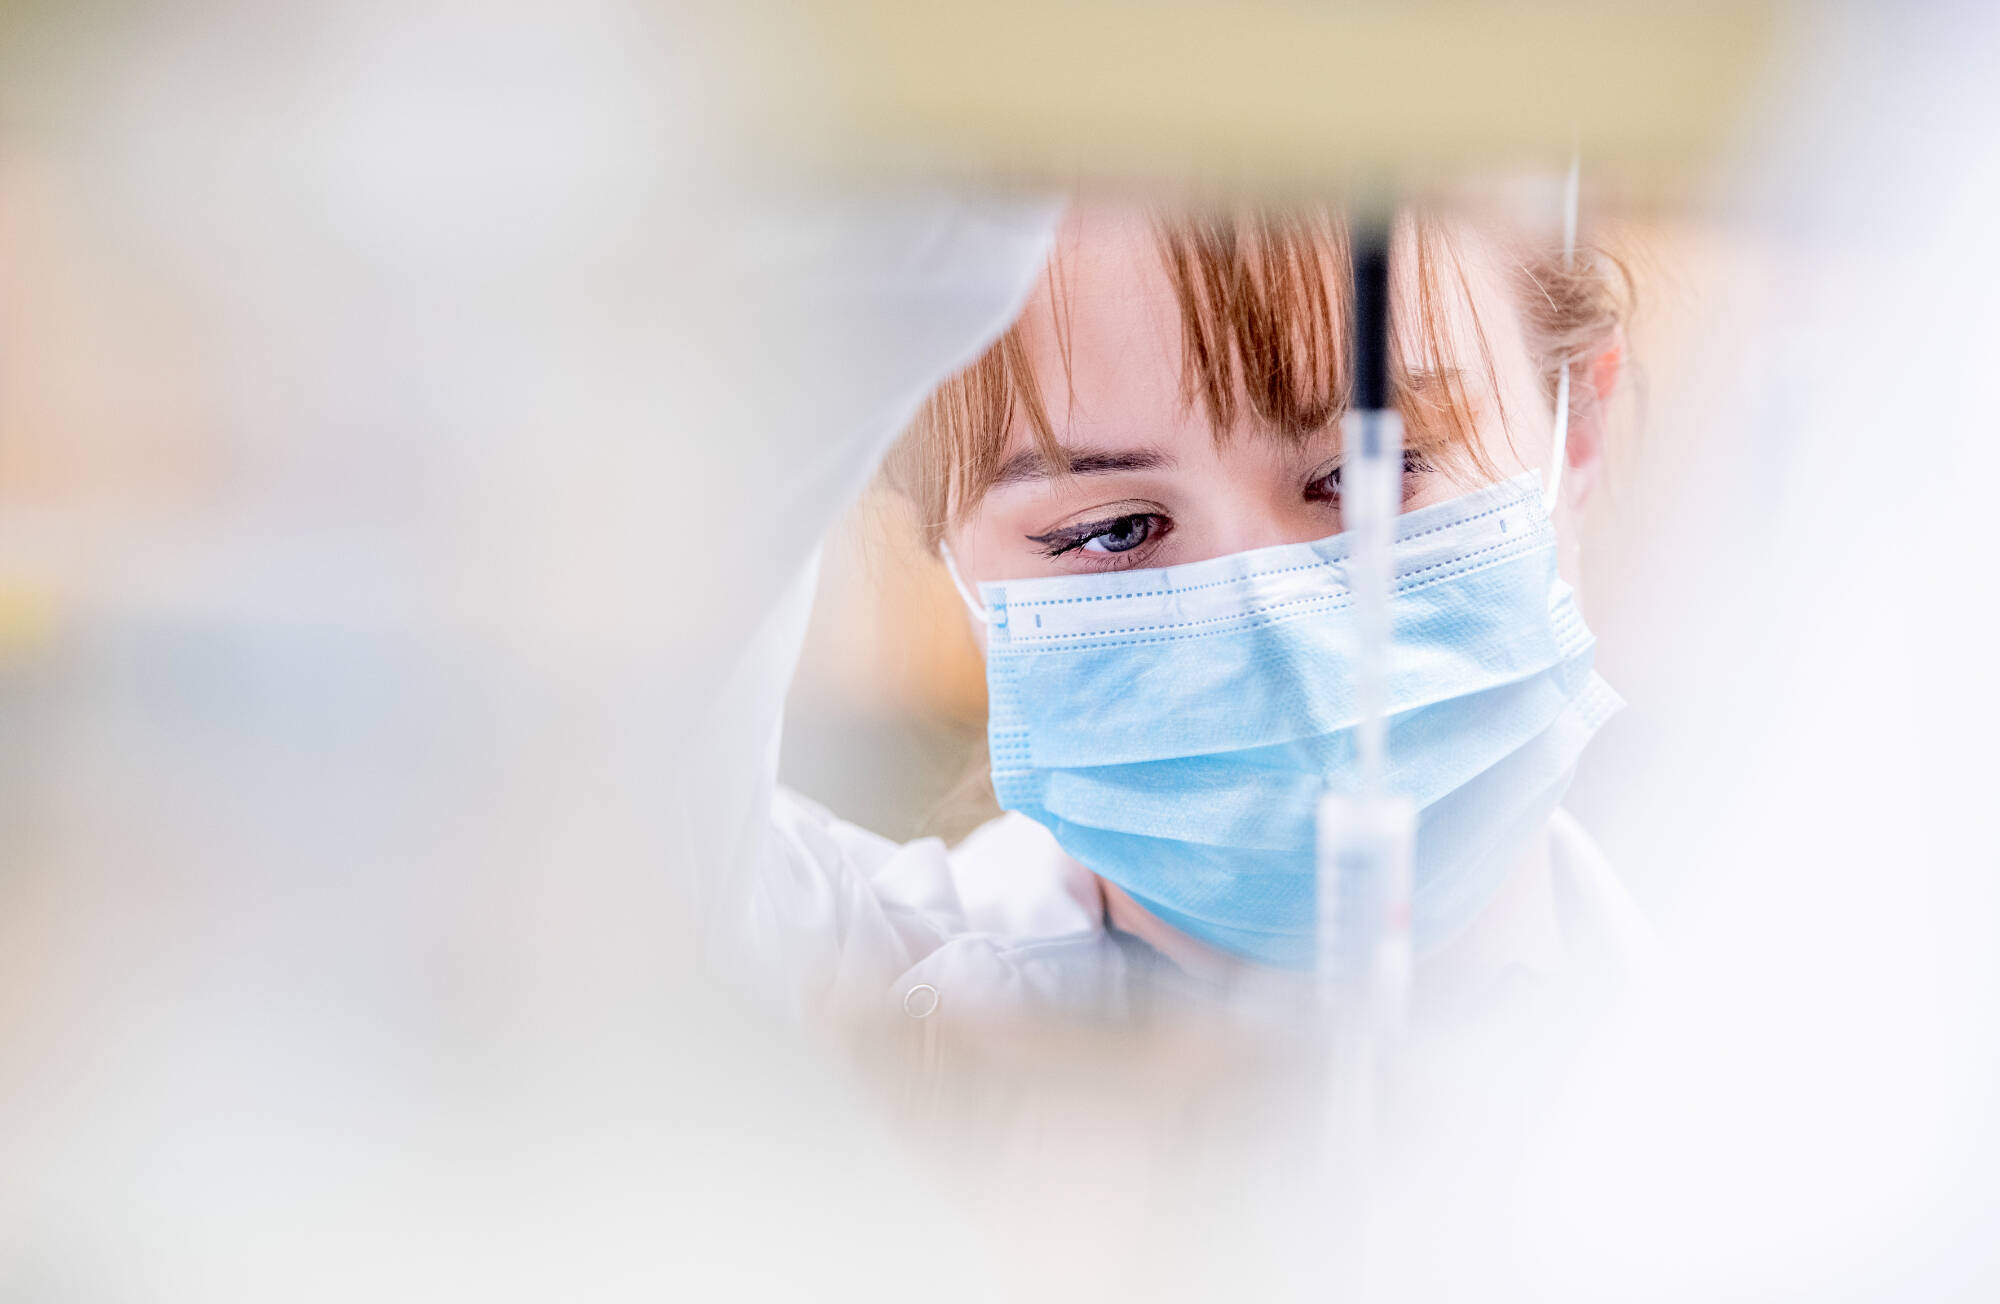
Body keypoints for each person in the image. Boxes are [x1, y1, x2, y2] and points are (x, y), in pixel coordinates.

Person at [700, 197, 1653, 1029]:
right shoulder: (835, 986)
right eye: (1114, 531)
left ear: (1579, 428)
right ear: (950, 561)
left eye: (1369, 475)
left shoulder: (1733, 1057)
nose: (1277, 645)